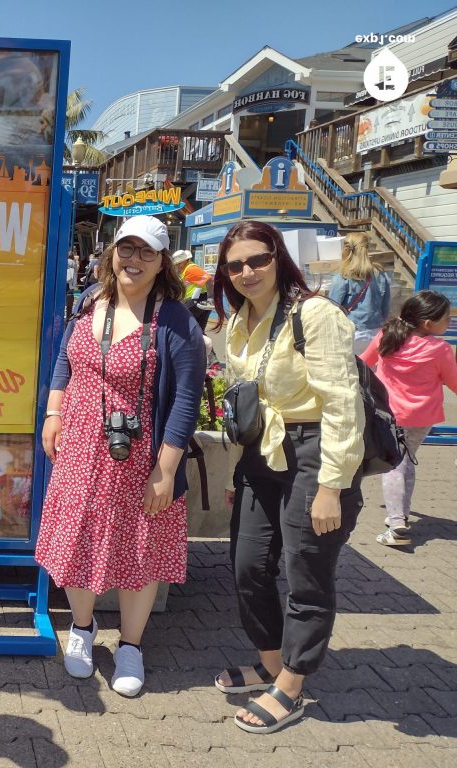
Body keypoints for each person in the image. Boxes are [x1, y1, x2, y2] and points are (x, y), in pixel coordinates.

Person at [36, 215, 205, 697]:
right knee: (79, 541)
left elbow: (186, 399)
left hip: (140, 458)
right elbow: (65, 358)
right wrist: (53, 412)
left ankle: (131, 645)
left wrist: (165, 469)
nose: (133, 260)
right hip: (82, 450)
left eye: (146, 252)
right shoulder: (91, 301)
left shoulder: (173, 318)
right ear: (112, 253)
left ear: (161, 262)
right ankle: (82, 630)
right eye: (126, 249)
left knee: (140, 549)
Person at [212, 220, 364, 734]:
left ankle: (293, 685)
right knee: (248, 565)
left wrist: (331, 487)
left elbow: (344, 404)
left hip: (314, 451)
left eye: (258, 259)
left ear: (279, 258)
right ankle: (271, 663)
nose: (247, 271)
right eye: (235, 264)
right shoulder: (239, 320)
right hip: (262, 453)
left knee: (307, 575)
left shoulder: (314, 314)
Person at [359, 291, 457, 546]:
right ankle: (398, 517)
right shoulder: (440, 350)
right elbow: (454, 382)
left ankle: (397, 520)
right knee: (404, 462)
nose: (450, 322)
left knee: (395, 464)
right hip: (421, 418)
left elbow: (362, 364)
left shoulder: (386, 336)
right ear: (428, 324)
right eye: (447, 318)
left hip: (386, 414)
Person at [327, 231, 390, 355]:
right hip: (375, 333)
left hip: (350, 333)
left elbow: (332, 310)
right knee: (371, 371)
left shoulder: (343, 276)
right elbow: (385, 309)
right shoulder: (380, 274)